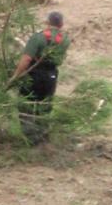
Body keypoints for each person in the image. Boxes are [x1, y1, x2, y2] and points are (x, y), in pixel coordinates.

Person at [10, 10, 71, 144]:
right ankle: (43, 138)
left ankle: (29, 139)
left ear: (47, 22)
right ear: (61, 24)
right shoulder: (65, 39)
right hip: (51, 75)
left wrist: (15, 76)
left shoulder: (38, 37)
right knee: (45, 105)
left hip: (34, 74)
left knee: (26, 104)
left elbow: (26, 59)